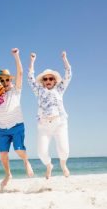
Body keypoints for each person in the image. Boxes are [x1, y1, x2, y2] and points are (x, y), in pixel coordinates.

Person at [0, 48, 34, 190]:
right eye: (2, 80)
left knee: (18, 150)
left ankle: (26, 161)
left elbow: (20, 73)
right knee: (3, 154)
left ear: (10, 81)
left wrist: (17, 56)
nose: (5, 81)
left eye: (7, 79)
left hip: (17, 125)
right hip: (2, 128)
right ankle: (8, 174)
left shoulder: (16, 90)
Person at [28, 51, 72, 179]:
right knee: (41, 153)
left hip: (60, 123)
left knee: (64, 151)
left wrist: (64, 59)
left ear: (54, 81)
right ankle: (49, 166)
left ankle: (63, 165)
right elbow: (30, 79)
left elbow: (68, 74)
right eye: (45, 79)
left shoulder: (59, 89)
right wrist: (32, 61)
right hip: (44, 126)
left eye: (50, 78)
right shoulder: (39, 90)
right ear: (43, 81)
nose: (48, 80)